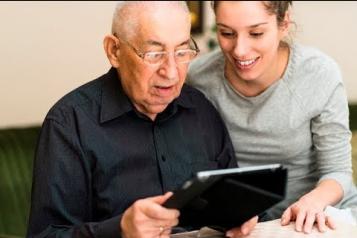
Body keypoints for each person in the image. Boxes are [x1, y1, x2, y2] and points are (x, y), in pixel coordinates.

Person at [27, 2, 258, 238]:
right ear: (114, 51)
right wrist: (120, 230)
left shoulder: (200, 109)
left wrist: (237, 217)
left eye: (181, 52)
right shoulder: (69, 123)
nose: (171, 72)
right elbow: (44, 235)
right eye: (154, 54)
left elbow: (230, 199)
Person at [187, 0, 357, 234]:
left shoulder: (318, 74)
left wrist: (313, 202)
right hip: (244, 224)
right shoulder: (199, 79)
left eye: (256, 33)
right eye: (227, 33)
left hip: (320, 216)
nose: (240, 50)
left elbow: (337, 172)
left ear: (284, 23)